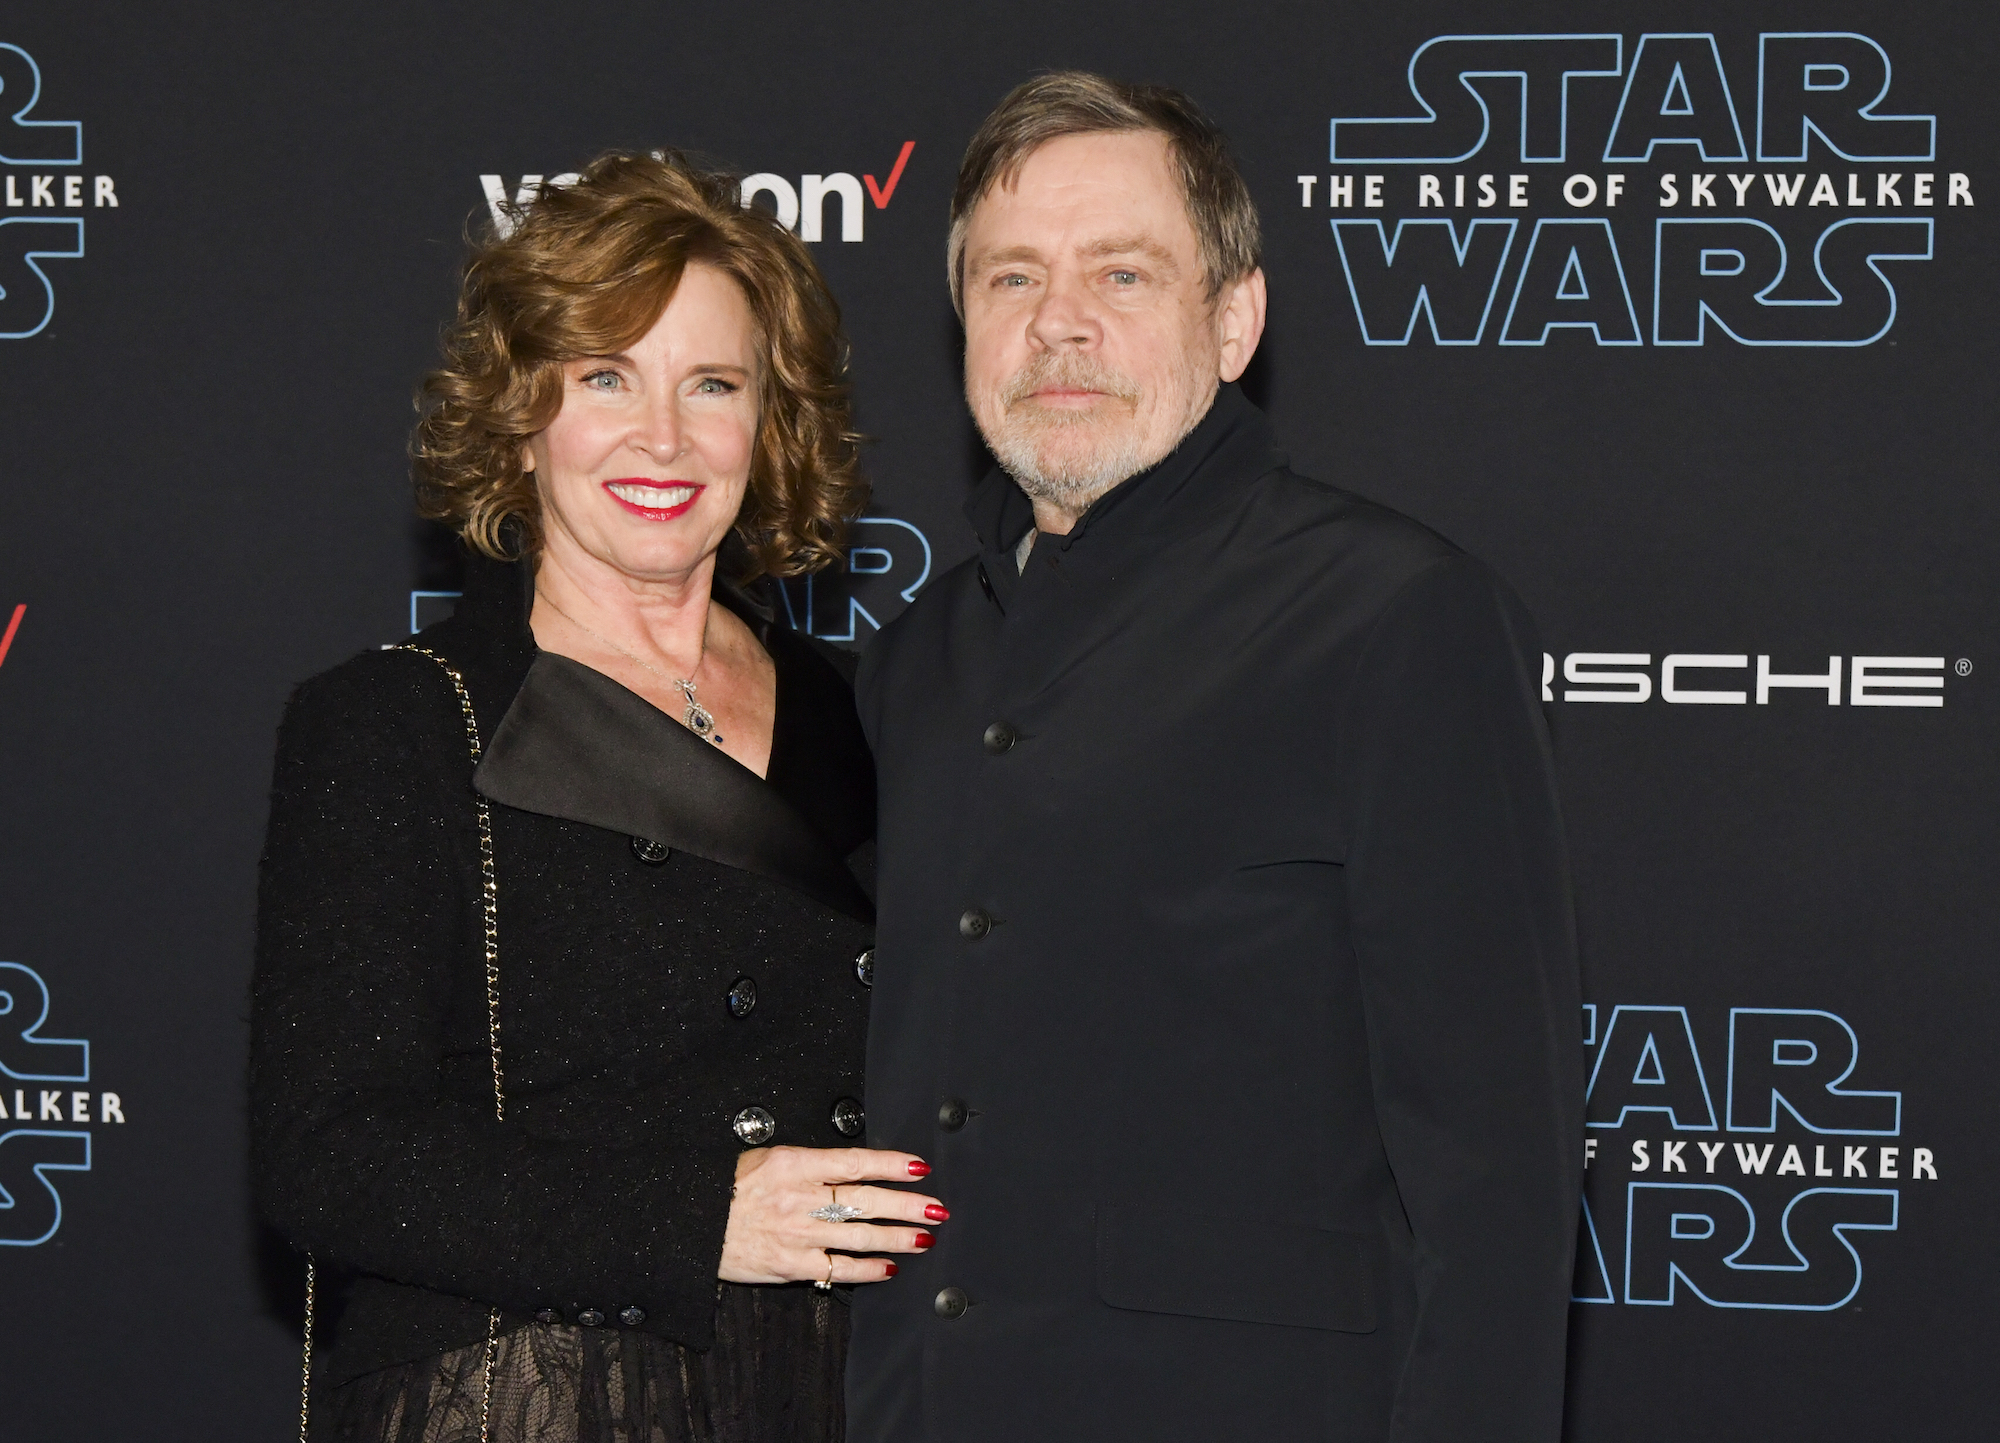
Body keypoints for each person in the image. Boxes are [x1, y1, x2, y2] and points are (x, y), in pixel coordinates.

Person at [847, 73, 1584, 1443]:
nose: (1058, 322)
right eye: (1012, 279)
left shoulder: (1395, 616)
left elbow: (1497, 1178)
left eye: (1122, 274)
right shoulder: (915, 658)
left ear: (1233, 319)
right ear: (965, 327)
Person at [250, 150, 946, 1443]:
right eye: (607, 378)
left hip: (827, 1386)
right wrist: (699, 1218)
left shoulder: (872, 711)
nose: (665, 439)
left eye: (715, 385)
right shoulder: (401, 720)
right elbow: (328, 1155)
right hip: (526, 1397)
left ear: (772, 423)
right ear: (522, 413)